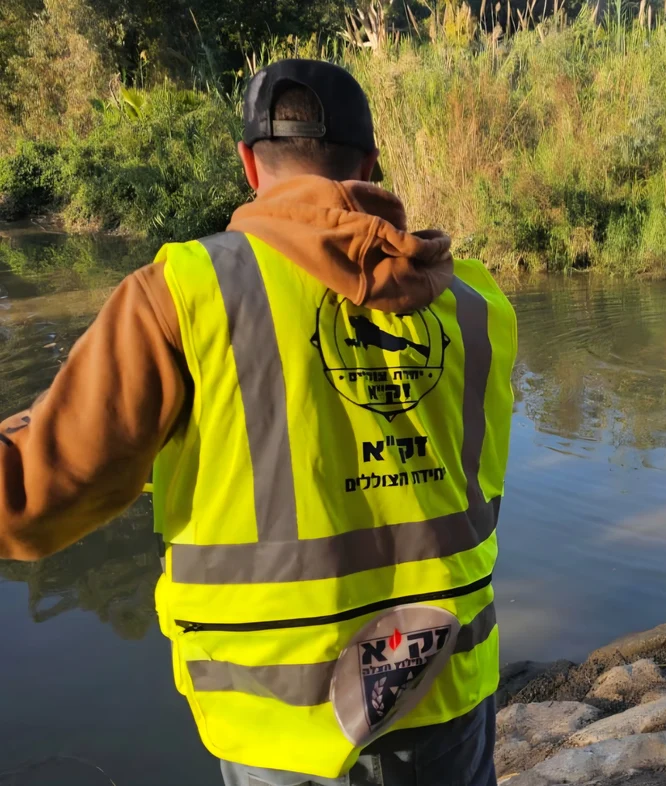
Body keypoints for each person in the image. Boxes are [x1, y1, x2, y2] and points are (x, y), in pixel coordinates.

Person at [0, 59, 515, 786]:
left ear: (248, 163)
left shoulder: (180, 292)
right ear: (369, 165)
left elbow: (30, 500)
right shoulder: (477, 304)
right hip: (442, 684)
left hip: (277, 716)